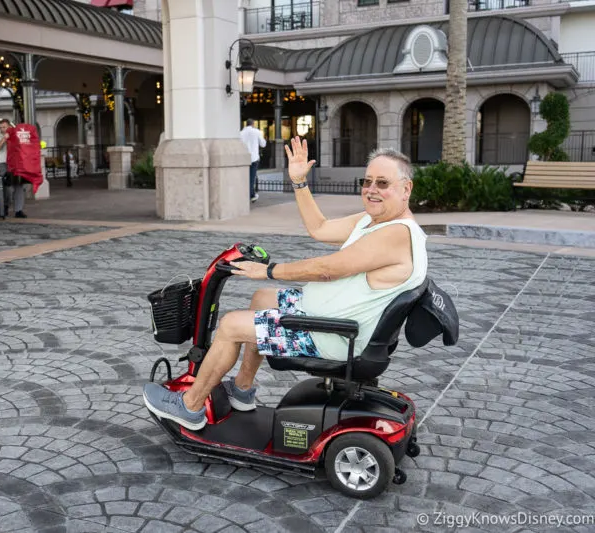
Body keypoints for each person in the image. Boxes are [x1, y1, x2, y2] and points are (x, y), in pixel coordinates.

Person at [143, 139, 428, 431]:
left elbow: (326, 269)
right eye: (367, 181)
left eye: (383, 183)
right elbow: (319, 228)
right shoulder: (374, 220)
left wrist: (269, 270)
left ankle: (189, 407)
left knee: (230, 326)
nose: (371, 189)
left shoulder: (396, 234)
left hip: (334, 334)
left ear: (406, 189)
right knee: (262, 298)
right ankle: (241, 390)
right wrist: (299, 182)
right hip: (329, 318)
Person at [240, 119, 267, 203]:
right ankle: (250, 195)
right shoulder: (256, 132)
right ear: (253, 124)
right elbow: (263, 144)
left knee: (245, 178)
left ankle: (250, 194)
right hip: (254, 158)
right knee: (251, 178)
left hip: (243, 158)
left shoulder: (241, 133)